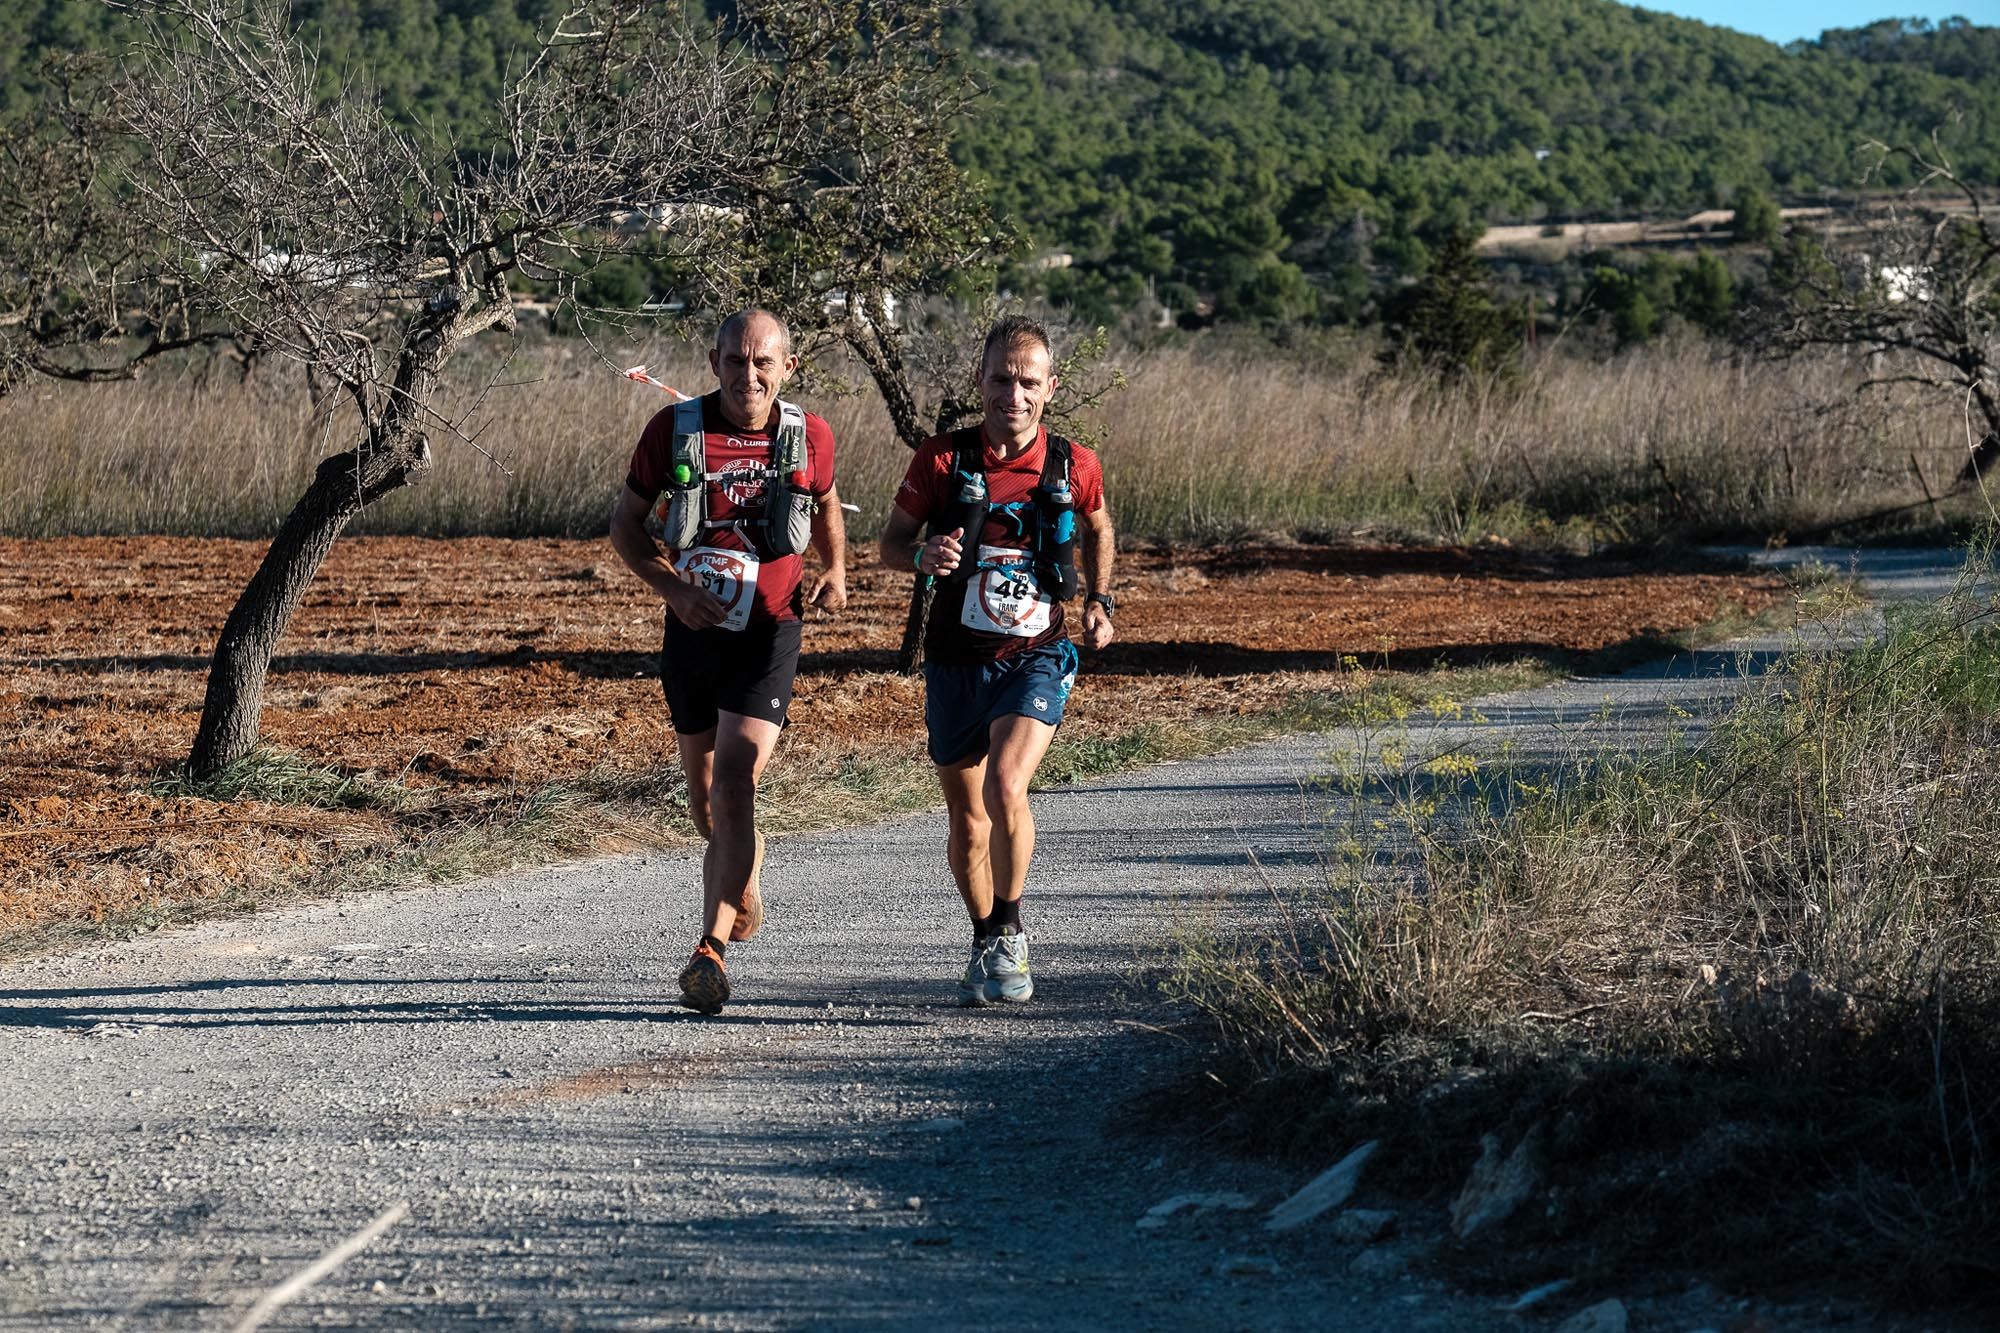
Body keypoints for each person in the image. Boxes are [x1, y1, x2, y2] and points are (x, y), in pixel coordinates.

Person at [609, 308, 846, 1014]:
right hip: (693, 630)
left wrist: (834, 568)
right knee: (705, 793)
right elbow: (624, 526)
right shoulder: (673, 430)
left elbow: (827, 503)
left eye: (763, 362)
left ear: (787, 367)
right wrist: (673, 589)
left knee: (734, 784)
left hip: (769, 632)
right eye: (736, 361)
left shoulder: (809, 436)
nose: (749, 375)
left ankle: (707, 950)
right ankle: (743, 868)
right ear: (714, 362)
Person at [877, 316, 1116, 1006]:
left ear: (1051, 388)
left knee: (1006, 787)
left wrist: (1101, 599)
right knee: (968, 819)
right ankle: (985, 935)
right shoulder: (943, 459)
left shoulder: (1075, 463)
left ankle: (1011, 928)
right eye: (1002, 379)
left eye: (1029, 382)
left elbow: (1098, 525)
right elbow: (890, 543)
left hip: (1037, 653)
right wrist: (922, 556)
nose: (1014, 393)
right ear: (980, 381)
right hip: (955, 658)